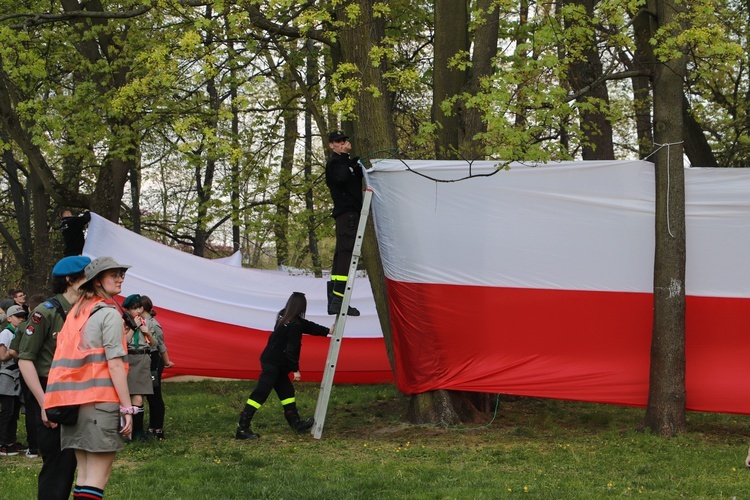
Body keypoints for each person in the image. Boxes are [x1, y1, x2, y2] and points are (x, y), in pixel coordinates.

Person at [44, 256, 134, 500]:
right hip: (100, 403)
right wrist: (128, 408)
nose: (119, 279)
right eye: (112, 274)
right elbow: (115, 364)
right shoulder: (109, 314)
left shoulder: (76, 313)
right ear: (96, 282)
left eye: (121, 274)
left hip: (74, 404)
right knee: (97, 478)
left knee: (83, 476)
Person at [18, 255, 90, 499]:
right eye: (87, 276)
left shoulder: (87, 311)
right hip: (50, 390)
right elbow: (25, 359)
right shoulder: (45, 312)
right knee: (57, 464)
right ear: (70, 280)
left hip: (80, 389)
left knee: (77, 462)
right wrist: (44, 402)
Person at [235, 292, 333, 439]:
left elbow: (304, 325)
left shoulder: (284, 315)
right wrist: (296, 370)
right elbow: (292, 348)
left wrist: (326, 331)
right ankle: (242, 428)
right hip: (274, 363)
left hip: (273, 361)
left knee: (287, 392)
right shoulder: (295, 323)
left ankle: (296, 423)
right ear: (301, 307)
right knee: (261, 393)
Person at [325, 130, 365, 316]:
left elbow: (352, 180)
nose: (343, 143)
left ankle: (334, 299)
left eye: (344, 140)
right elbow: (341, 178)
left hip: (351, 213)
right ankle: (339, 299)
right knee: (346, 255)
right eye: (338, 141)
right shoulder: (334, 162)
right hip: (347, 214)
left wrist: (354, 165)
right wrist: (346, 158)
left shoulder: (345, 163)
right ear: (332, 145)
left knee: (341, 255)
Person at [121, 294, 156, 441]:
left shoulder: (147, 322)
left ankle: (138, 431)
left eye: (137, 308)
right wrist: (133, 327)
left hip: (142, 359)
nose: (136, 311)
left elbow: (153, 344)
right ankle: (130, 431)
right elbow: (123, 342)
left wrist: (146, 331)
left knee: (139, 397)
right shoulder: (124, 323)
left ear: (142, 308)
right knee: (129, 397)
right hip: (128, 359)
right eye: (132, 309)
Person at [141, 296, 174, 440]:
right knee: (149, 395)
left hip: (154, 360)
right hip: (146, 360)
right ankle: (151, 427)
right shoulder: (142, 322)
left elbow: (159, 345)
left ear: (142, 308)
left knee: (155, 394)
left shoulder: (152, 324)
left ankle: (158, 428)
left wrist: (166, 361)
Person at [0, 305, 27, 456]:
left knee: (14, 411)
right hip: (7, 376)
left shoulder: (19, 332)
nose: (21, 319)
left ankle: (11, 441)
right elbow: (2, 356)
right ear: (9, 318)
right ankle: (2, 442)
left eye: (23, 317)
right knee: (7, 411)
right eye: (18, 317)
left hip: (16, 375)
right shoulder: (6, 333)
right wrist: (14, 352)